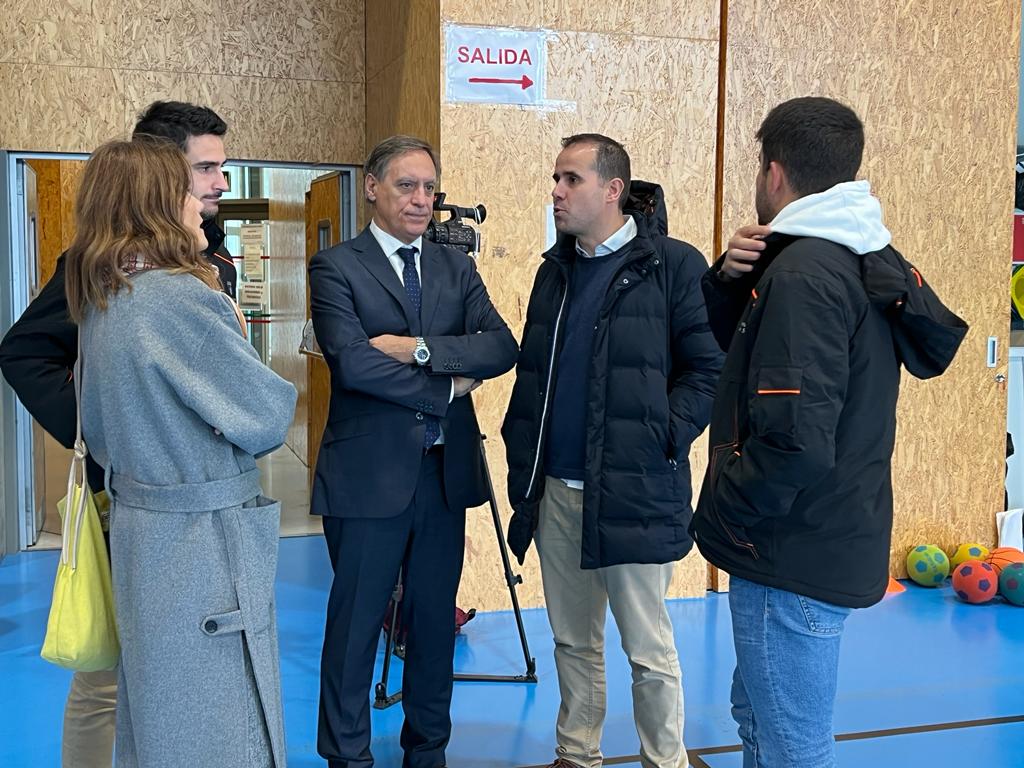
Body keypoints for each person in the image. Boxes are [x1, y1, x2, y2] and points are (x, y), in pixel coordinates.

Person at [690, 96, 967, 767]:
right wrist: (729, 283)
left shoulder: (807, 275)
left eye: (760, 168)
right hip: (816, 539)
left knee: (792, 745)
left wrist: (729, 511)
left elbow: (796, 439)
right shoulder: (854, 256)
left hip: (789, 552)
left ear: (775, 173)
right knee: (759, 716)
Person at [0, 100, 239, 768]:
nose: (221, 181)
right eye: (207, 168)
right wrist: (107, 428)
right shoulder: (97, 261)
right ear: (160, 176)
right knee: (107, 675)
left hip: (202, 506)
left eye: (223, 165)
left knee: (189, 665)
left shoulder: (212, 259)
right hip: (127, 500)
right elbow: (23, 351)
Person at [64, 137, 296, 767]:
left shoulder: (102, 298)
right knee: (221, 725)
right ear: (155, 204)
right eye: (189, 186)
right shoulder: (178, 299)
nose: (204, 201)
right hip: (202, 546)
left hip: (142, 533)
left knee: (160, 718)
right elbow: (268, 413)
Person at [501, 133, 723, 768]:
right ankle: (577, 753)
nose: (557, 192)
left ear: (612, 189)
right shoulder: (555, 272)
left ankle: (665, 761)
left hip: (635, 490)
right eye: (556, 178)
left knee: (648, 648)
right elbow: (537, 376)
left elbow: (708, 370)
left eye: (571, 179)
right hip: (556, 491)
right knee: (573, 640)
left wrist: (661, 436)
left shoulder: (675, 266)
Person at [309, 134, 517, 768]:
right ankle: (348, 757)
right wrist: (449, 386)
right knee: (356, 626)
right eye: (407, 185)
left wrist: (419, 349)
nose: (421, 199)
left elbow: (502, 347)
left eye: (430, 187)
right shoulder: (336, 267)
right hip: (367, 479)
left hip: (441, 479)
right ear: (373, 188)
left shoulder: (456, 268)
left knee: (432, 627)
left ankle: (427, 752)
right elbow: (353, 366)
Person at [133, 101, 237, 298]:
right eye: (206, 168)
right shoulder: (105, 264)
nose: (223, 185)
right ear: (161, 172)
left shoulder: (221, 257)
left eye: (221, 167)